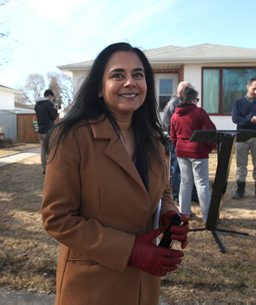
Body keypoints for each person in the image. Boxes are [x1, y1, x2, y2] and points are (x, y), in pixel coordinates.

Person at [41, 42, 190, 305]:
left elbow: (163, 191)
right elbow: (57, 218)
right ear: (99, 87)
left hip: (144, 283)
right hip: (93, 286)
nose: (130, 82)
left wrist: (169, 215)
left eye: (138, 74)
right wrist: (131, 250)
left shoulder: (155, 140)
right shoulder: (72, 138)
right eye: (118, 75)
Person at [170, 87, 216, 223]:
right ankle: (207, 217)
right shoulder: (199, 112)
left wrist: (180, 145)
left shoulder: (175, 115)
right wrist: (209, 146)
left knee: (185, 182)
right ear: (192, 99)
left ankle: (184, 213)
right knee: (202, 183)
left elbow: (173, 136)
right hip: (198, 152)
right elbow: (211, 131)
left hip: (181, 151)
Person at [162, 81, 194, 201]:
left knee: (186, 169)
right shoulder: (175, 103)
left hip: (183, 141)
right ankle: (175, 195)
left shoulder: (183, 102)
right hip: (175, 141)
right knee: (176, 169)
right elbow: (168, 124)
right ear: (182, 91)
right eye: (189, 90)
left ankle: (191, 194)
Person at [34, 89, 58, 174]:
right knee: (50, 149)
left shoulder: (36, 105)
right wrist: (55, 109)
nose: (51, 99)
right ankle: (50, 168)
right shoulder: (48, 104)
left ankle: (44, 169)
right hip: (49, 130)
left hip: (41, 130)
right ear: (49, 96)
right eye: (51, 97)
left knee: (43, 149)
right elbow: (54, 117)